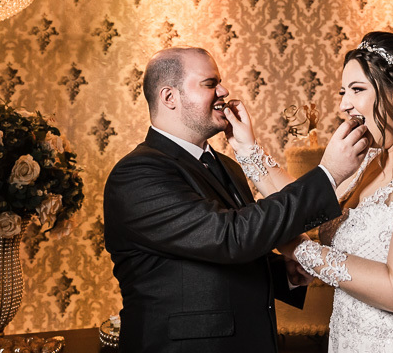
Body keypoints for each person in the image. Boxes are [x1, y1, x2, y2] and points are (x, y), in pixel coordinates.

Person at [226, 31, 393, 353]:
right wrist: (246, 148)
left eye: (357, 90)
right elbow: (300, 203)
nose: (343, 105)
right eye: (342, 92)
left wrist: (298, 249)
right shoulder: (372, 162)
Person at [102, 46, 369, 353]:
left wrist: (285, 274)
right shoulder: (137, 174)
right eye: (209, 83)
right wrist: (328, 174)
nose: (224, 91)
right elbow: (229, 237)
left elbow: (221, 257)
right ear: (169, 97)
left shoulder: (225, 165)